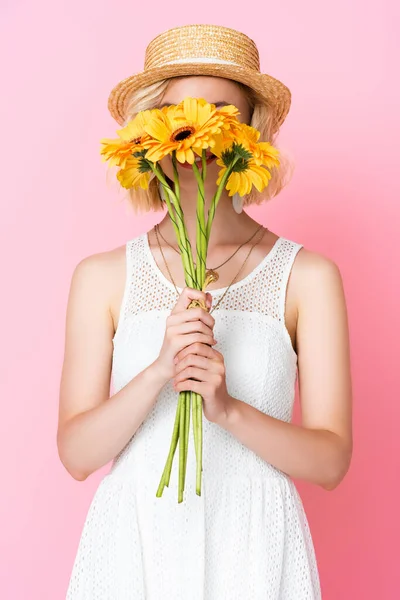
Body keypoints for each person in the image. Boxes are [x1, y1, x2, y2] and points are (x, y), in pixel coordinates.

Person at [58, 24, 352, 600]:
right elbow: (76, 455)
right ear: (148, 136)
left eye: (223, 114)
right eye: (174, 115)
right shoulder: (101, 277)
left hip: (257, 550)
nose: (200, 133)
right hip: (134, 547)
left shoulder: (308, 277)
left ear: (251, 135)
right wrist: (158, 370)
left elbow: (331, 460)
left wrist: (226, 410)